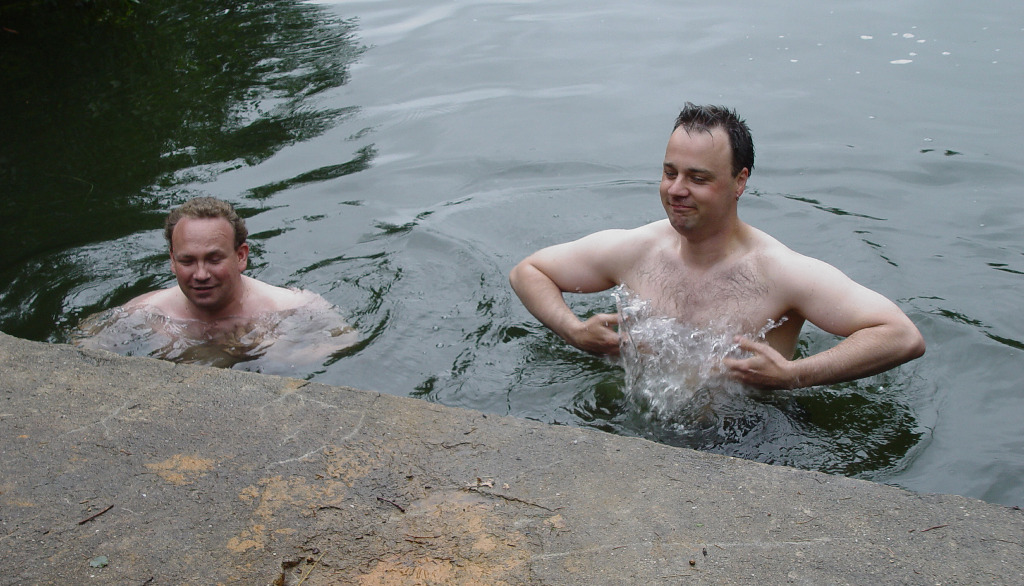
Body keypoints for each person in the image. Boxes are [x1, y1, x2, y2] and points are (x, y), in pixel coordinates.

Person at [509, 103, 925, 391]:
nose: (676, 190)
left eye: (698, 178)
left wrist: (794, 375)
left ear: (739, 181)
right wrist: (574, 332)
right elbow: (528, 272)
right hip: (636, 423)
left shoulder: (780, 272)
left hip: (750, 439)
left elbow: (901, 335)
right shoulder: (635, 250)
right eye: (669, 173)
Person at [75, 196, 356, 369]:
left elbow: (345, 341)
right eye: (187, 261)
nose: (200, 274)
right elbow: (82, 349)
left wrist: (272, 353)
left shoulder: (292, 307)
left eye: (213, 259)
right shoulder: (145, 313)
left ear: (241, 256)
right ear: (172, 260)